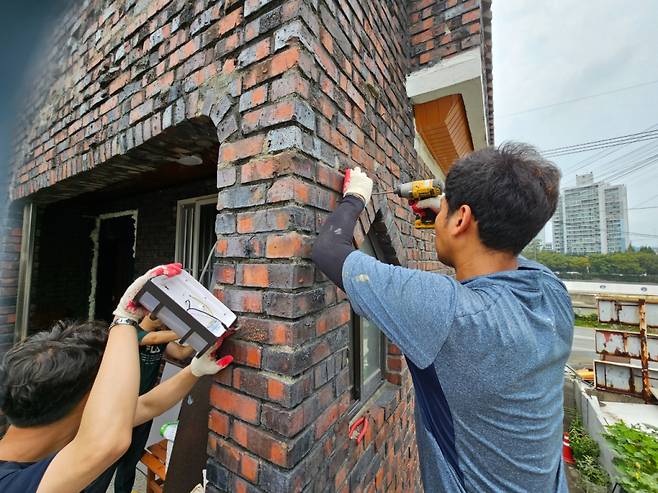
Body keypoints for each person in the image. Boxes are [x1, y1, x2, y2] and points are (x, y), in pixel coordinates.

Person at [312, 143, 573, 492]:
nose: (437, 219)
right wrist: (451, 217)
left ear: (462, 219)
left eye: (444, 210)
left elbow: (329, 251)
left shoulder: (451, 314)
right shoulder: (552, 293)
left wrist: (356, 196)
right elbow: (506, 244)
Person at [0, 263, 233, 493]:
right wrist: (125, 317)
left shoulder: (45, 427)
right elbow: (105, 445)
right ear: (83, 402)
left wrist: (195, 370)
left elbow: (148, 404)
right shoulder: (9, 485)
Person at [86, 314, 195, 493]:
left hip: (145, 408)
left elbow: (181, 353)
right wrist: (188, 332)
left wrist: (201, 340)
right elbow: (150, 338)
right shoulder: (130, 333)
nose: (163, 320)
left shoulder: (161, 338)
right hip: (119, 409)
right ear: (147, 314)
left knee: (130, 462)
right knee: (107, 461)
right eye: (159, 315)